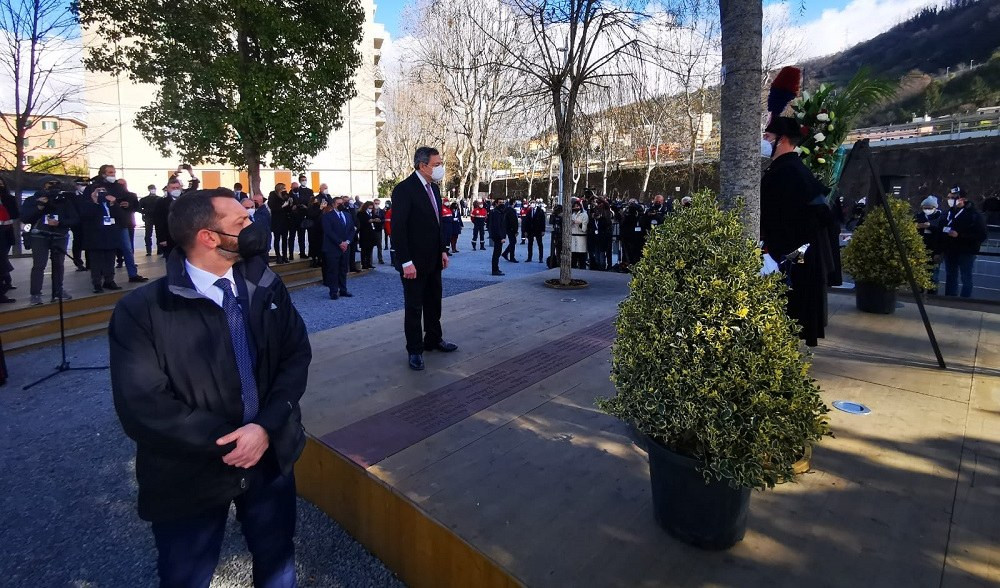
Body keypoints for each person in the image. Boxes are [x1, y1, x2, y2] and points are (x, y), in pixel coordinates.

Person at [109, 188, 309, 588]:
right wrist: (231, 441)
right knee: (186, 575)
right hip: (188, 474)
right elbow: (143, 406)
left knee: (276, 559)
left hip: (269, 458)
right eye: (242, 223)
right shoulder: (144, 310)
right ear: (208, 238)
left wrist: (264, 428)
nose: (255, 227)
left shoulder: (264, 285)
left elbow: (295, 357)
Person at [760, 116, 837, 347]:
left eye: (767, 137)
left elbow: (808, 221)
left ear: (782, 140)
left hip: (790, 257)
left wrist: (777, 255)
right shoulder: (788, 169)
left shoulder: (789, 172)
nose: (764, 141)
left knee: (786, 318)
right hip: (791, 254)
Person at [390, 146, 457, 372]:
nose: (440, 168)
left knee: (433, 302)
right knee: (414, 306)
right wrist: (405, 261)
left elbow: (436, 224)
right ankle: (415, 350)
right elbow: (398, 229)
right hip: (413, 263)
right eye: (437, 164)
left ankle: (433, 339)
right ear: (422, 165)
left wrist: (442, 250)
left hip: (433, 259)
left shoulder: (434, 190)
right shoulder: (404, 190)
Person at [22, 180, 79, 304]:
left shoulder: (64, 200)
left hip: (59, 236)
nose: (53, 187)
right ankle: (35, 294)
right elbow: (25, 217)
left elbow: (74, 219)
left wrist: (60, 223)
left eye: (55, 184)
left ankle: (58, 290)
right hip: (39, 237)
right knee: (39, 265)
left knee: (58, 264)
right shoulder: (32, 200)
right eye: (49, 184)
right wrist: (39, 207)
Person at [940, 186, 987, 298]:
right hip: (950, 250)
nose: (950, 200)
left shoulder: (974, 215)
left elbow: (982, 235)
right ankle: (950, 297)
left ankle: (965, 300)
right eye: (949, 197)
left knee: (966, 277)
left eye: (953, 198)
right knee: (951, 275)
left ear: (963, 199)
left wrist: (960, 235)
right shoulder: (948, 213)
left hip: (966, 251)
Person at [80, 178, 125, 293]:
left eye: (103, 191)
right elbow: (86, 216)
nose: (101, 193)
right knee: (96, 262)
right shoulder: (88, 203)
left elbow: (121, 216)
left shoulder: (109, 204)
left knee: (110, 260)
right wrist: (94, 201)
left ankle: (109, 280)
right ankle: (97, 283)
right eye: (98, 191)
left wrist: (114, 204)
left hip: (110, 234)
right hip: (96, 237)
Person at [111, 178, 148, 283]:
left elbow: (137, 207)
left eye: (123, 184)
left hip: (127, 223)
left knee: (128, 248)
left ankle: (132, 274)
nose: (122, 186)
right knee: (114, 248)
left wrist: (129, 205)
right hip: (114, 224)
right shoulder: (112, 195)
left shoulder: (131, 195)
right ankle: (113, 270)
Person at [322, 196, 354, 299]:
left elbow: (351, 230)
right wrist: (340, 242)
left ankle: (343, 290)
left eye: (343, 203)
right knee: (333, 270)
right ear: (334, 204)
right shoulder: (327, 216)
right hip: (333, 248)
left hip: (345, 247)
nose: (342, 205)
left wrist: (347, 242)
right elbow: (328, 231)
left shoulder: (347, 215)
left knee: (343, 269)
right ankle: (333, 291)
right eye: (339, 203)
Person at [914, 196, 943, 293]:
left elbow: (941, 232)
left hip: (934, 248)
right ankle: (919, 290)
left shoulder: (940, 217)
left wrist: (930, 226)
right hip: (921, 247)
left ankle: (933, 293)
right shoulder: (919, 215)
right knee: (920, 272)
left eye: (929, 208)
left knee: (933, 274)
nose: (927, 210)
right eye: (925, 207)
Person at [153, 177, 185, 258]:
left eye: (177, 187)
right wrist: (162, 239)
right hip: (169, 237)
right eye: (173, 188)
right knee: (171, 261)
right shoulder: (161, 202)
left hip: (185, 237)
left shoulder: (186, 199)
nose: (175, 189)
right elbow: (158, 221)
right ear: (168, 189)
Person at [0, 178, 20, 302]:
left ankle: (6, 282)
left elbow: (14, 215)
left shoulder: (8, 199)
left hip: (4, 235)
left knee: (3, 260)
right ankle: (6, 282)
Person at [267, 184, 292, 264]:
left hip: (285, 220)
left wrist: (289, 204)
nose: (284, 190)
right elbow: (272, 207)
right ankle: (278, 256)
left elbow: (288, 209)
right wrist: (281, 206)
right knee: (277, 239)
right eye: (283, 188)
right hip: (277, 220)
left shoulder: (285, 195)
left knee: (285, 238)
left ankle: (285, 255)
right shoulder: (273, 195)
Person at [358, 200, 381, 270]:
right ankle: (363, 264)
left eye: (371, 208)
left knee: (370, 249)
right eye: (369, 208)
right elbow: (364, 221)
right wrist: (373, 220)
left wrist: (376, 220)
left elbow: (376, 219)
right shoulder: (361, 213)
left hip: (371, 233)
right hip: (364, 233)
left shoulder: (372, 213)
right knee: (364, 249)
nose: (371, 209)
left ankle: (369, 263)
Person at [487, 200, 508, 276]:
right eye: (500, 202)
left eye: (503, 202)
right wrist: (501, 237)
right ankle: (495, 270)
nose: (502, 204)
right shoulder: (496, 213)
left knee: (497, 253)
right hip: (498, 236)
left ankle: (496, 268)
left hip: (497, 236)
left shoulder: (498, 212)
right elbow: (497, 226)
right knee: (496, 253)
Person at [139, 184, 161, 256]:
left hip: (157, 217)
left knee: (159, 234)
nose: (153, 190)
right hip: (148, 218)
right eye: (151, 188)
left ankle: (160, 250)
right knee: (148, 234)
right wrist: (144, 213)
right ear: (149, 190)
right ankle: (149, 250)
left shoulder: (159, 199)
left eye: (154, 188)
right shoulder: (144, 199)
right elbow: (138, 208)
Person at [570, 200, 589, 269]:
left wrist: (579, 223)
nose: (575, 208)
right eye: (574, 206)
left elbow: (585, 228)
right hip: (573, 237)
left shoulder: (584, 215)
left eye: (577, 206)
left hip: (581, 238)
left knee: (582, 258)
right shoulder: (572, 214)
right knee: (573, 258)